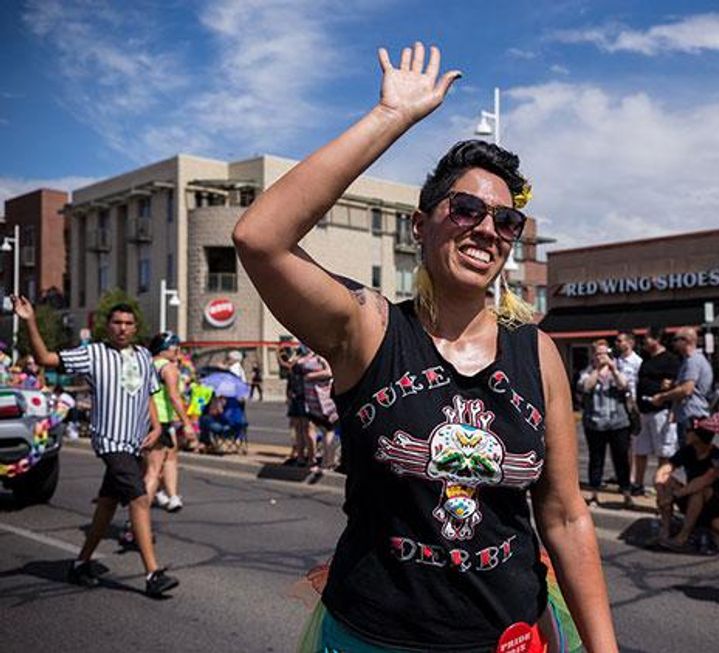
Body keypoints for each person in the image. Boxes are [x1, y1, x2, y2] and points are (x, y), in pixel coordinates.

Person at [233, 42, 617, 651]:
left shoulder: (535, 352)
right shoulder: (371, 330)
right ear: (420, 225)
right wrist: (393, 117)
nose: (486, 228)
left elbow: (566, 516)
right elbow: (260, 239)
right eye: (465, 209)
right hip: (376, 636)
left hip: (511, 638)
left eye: (505, 220)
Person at [13, 297, 179, 597]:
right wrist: (30, 321)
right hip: (110, 441)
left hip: (133, 443)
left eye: (128, 324)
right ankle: (153, 573)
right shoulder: (93, 355)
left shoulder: (143, 356)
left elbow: (149, 392)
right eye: (117, 323)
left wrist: (155, 427)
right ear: (107, 326)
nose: (123, 328)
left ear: (136, 327)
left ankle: (80, 564)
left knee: (107, 503)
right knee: (140, 499)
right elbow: (45, 359)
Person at [654, 423, 719, 551]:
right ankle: (665, 529)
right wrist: (660, 491)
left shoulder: (718, 455)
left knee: (699, 491)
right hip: (691, 497)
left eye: (690, 431)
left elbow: (704, 480)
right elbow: (665, 468)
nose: (686, 433)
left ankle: (683, 536)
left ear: (699, 436)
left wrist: (673, 496)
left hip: (717, 504)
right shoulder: (688, 451)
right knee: (666, 481)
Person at [578, 339, 633, 507]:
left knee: (621, 459)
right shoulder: (587, 372)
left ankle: (626, 494)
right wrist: (597, 370)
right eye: (598, 354)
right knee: (596, 459)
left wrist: (613, 369)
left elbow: (624, 385)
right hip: (595, 423)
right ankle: (594, 494)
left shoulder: (619, 368)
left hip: (618, 422)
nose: (601, 357)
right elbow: (585, 386)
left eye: (604, 353)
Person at [146, 331, 194, 512]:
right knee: (155, 468)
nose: (177, 350)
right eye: (175, 346)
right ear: (164, 348)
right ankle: (138, 515)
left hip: (144, 418)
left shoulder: (147, 364)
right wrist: (187, 423)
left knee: (165, 457)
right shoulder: (168, 368)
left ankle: (167, 494)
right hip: (161, 420)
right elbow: (174, 397)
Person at [632, 326, 680, 496]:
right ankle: (637, 484)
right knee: (640, 450)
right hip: (644, 411)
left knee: (663, 452)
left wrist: (664, 392)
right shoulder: (645, 359)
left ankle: (662, 484)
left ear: (656, 339)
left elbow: (673, 385)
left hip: (661, 412)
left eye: (646, 338)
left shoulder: (670, 360)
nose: (644, 342)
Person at [650, 327, 713, 438]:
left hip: (692, 415)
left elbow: (686, 389)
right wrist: (673, 384)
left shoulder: (693, 361)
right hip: (687, 415)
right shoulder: (687, 360)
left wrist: (662, 397)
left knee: (690, 452)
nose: (673, 343)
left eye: (676, 340)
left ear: (686, 341)